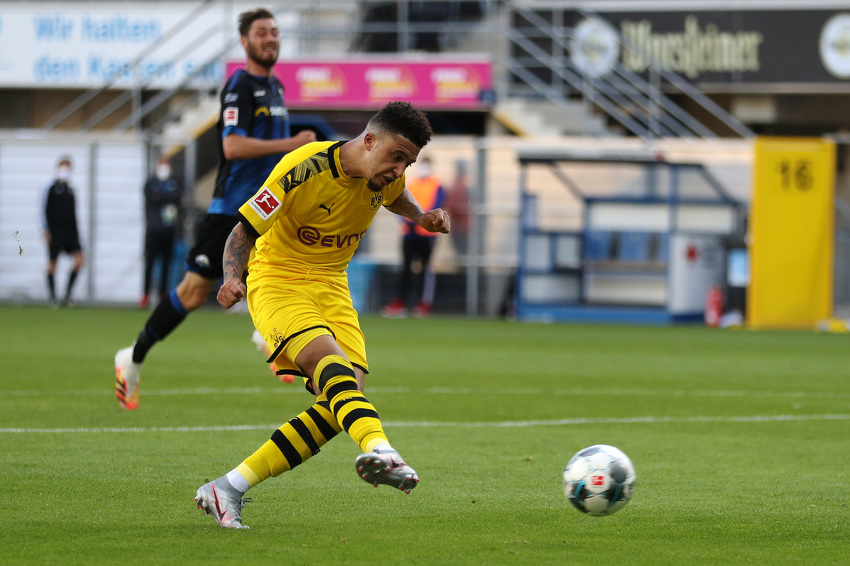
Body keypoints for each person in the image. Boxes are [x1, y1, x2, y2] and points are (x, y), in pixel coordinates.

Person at [194, 101, 450, 529]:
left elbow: (395, 194)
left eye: (408, 161)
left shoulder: (385, 173)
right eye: (396, 157)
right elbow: (243, 229)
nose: (399, 168)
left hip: (332, 283)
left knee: (340, 400)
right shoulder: (302, 169)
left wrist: (420, 216)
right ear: (369, 141)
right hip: (279, 278)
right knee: (333, 370)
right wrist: (231, 277)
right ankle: (382, 450)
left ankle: (228, 487)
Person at [114, 8, 317, 410]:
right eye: (262, 33)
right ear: (245, 41)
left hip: (268, 209)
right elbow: (232, 147)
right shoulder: (240, 86)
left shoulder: (275, 87)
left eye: (275, 32)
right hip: (232, 211)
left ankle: (271, 341)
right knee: (192, 294)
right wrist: (291, 145)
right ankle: (132, 357)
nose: (271, 38)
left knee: (282, 273)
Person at [381, 155, 445, 318]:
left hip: (426, 234)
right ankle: (400, 303)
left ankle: (423, 304)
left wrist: (419, 221)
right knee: (406, 269)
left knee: (425, 270)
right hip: (409, 234)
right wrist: (407, 221)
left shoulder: (436, 185)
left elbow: (435, 207)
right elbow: (400, 203)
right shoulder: (412, 184)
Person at [139, 156, 183, 309]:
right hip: (153, 230)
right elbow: (152, 198)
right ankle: (145, 295)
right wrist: (165, 197)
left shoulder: (174, 182)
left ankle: (162, 295)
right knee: (149, 264)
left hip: (168, 230)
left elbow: (177, 198)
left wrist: (162, 196)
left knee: (166, 264)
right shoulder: (151, 182)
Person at [42, 156, 84, 307]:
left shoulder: (71, 190)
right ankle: (53, 297)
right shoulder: (52, 189)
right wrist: (46, 230)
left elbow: (73, 214)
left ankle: (67, 295)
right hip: (56, 232)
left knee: (79, 260)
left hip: (71, 233)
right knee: (53, 263)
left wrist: (77, 234)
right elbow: (45, 210)